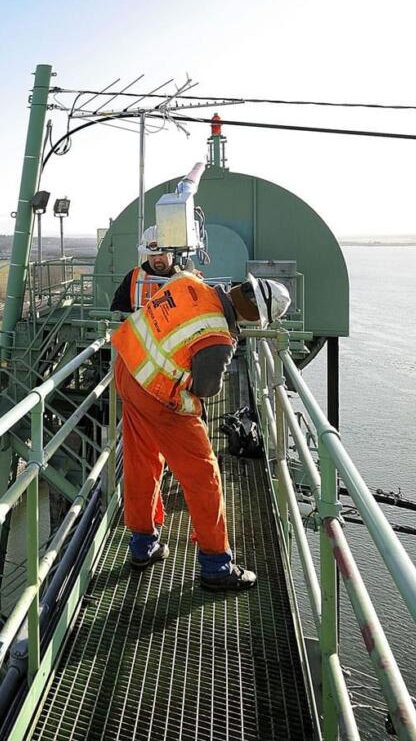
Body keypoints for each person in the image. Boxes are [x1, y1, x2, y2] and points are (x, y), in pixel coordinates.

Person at [110, 271, 291, 591]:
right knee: (204, 478)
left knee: (142, 461)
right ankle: (216, 565)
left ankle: (142, 546)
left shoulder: (186, 281)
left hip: (128, 369)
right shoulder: (217, 338)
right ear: (253, 315)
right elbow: (207, 388)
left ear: (242, 287)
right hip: (158, 396)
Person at [111, 226, 175, 313]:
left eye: (161, 254)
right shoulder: (134, 276)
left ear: (172, 253)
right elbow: (117, 307)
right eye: (152, 255)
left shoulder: (186, 276)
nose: (157, 259)